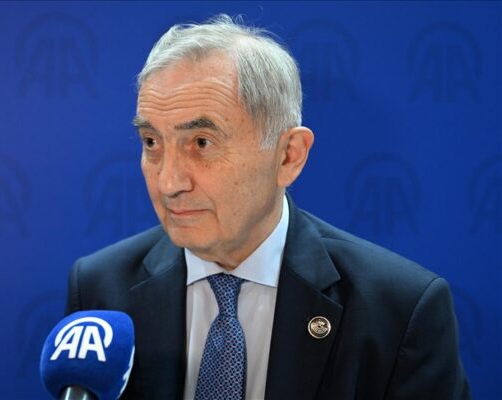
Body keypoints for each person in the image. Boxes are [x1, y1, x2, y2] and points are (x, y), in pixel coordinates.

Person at [66, 15, 470, 400]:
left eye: (202, 143)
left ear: (288, 156)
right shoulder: (101, 290)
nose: (169, 183)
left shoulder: (399, 311)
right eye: (151, 142)